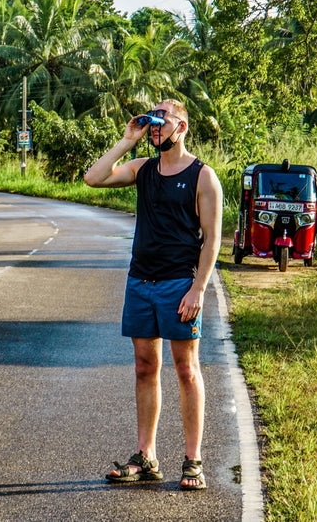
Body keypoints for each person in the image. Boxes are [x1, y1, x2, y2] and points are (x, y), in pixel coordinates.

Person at [83, 99, 222, 491]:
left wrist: (199, 288)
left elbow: (212, 239)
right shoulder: (143, 168)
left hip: (180, 283)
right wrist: (129, 138)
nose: (155, 125)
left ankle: (193, 460)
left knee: (186, 369)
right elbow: (93, 179)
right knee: (145, 367)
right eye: (152, 119)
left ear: (183, 126)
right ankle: (146, 456)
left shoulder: (203, 176)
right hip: (141, 281)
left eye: (162, 119)